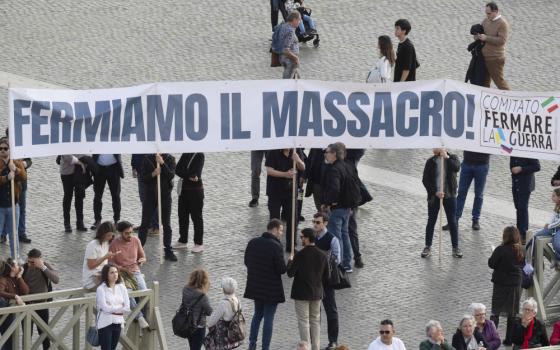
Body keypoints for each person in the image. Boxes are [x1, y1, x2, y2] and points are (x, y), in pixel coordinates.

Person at [245, 219, 287, 350]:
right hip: (271, 289)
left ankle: (252, 344)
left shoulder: (253, 242)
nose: (281, 234)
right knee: (269, 318)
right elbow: (281, 269)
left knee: (257, 314)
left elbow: (247, 261)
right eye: (280, 230)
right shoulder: (276, 246)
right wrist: (289, 262)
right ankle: (265, 347)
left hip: (256, 286)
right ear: (274, 229)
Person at [287, 228, 329, 350]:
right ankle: (316, 347)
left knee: (303, 321)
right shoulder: (322, 255)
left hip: (301, 294)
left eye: (302, 237)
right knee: (315, 321)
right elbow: (327, 277)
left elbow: (290, 273)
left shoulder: (300, 255)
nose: (301, 240)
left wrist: (290, 261)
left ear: (307, 238)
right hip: (316, 293)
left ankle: (306, 347)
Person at [421, 148, 462, 258]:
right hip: (434, 196)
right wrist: (435, 192)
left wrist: (446, 157)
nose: (433, 149)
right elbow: (425, 180)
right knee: (431, 221)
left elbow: (457, 167)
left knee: (452, 221)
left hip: (450, 195)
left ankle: (455, 248)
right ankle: (427, 246)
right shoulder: (431, 162)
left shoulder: (453, 158)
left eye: (435, 147)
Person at [108, 220, 150, 329]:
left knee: (145, 294)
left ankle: (142, 317)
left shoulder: (136, 240)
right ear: (120, 233)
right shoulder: (114, 244)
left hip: (135, 271)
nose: (129, 235)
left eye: (131, 232)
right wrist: (122, 269)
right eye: (127, 233)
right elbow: (110, 262)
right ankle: (140, 317)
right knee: (127, 293)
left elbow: (143, 256)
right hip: (121, 273)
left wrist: (141, 260)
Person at [138, 153, 177, 261]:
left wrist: (162, 163)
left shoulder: (170, 159)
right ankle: (138, 250)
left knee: (166, 224)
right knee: (145, 223)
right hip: (150, 196)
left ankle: (168, 250)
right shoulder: (147, 158)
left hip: (165, 196)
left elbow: (171, 175)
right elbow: (143, 178)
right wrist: (153, 174)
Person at [321, 142, 354, 271]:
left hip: (337, 208)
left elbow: (334, 189)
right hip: (347, 207)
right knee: (345, 235)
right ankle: (347, 263)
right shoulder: (347, 165)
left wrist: (328, 203)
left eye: (327, 152)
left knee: (336, 236)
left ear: (334, 154)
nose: (325, 154)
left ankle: (338, 264)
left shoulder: (334, 169)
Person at [488, 226, 523, 345]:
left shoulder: (500, 249)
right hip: (515, 285)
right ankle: (509, 340)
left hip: (500, 284)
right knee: (512, 313)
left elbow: (491, 264)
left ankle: (492, 338)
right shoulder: (520, 250)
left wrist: (494, 254)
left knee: (496, 311)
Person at [265, 149, 305, 252]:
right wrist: (285, 174)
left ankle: (291, 245)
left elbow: (303, 167)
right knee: (274, 219)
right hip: (275, 191)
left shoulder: (296, 151)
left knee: (293, 218)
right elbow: (269, 171)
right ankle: (273, 245)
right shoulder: (273, 152)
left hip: (291, 192)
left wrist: (298, 160)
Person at [313, 212, 341, 350]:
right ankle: (314, 339)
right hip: (313, 280)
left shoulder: (332, 239)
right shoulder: (312, 237)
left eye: (318, 222)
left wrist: (323, 258)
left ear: (325, 223)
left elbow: (337, 259)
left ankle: (333, 340)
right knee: (314, 312)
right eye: (314, 222)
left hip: (326, 280)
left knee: (331, 311)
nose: (315, 224)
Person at [22, 248, 60, 350]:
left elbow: (56, 279)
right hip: (27, 306)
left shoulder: (45, 267)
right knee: (26, 335)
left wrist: (43, 267)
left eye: (33, 262)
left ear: (39, 259)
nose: (30, 264)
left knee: (44, 335)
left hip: (42, 306)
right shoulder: (24, 268)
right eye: (28, 261)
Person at [449, 150, 490, 231]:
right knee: (461, 192)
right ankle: (455, 219)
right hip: (467, 163)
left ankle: (475, 220)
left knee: (479, 194)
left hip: (482, 164)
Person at [0, 138, 28, 256]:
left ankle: (15, 258)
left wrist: (15, 169)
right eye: (0, 148)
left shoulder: (16, 161)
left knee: (13, 234)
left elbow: (24, 177)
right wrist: (6, 178)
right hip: (0, 206)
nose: (2, 151)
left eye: (5, 149)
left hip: (13, 205)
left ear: (10, 150)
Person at [96, 263, 130, 350]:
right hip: (105, 323)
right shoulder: (101, 289)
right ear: (106, 275)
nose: (115, 274)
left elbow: (127, 307)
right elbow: (104, 308)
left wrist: (111, 307)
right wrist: (119, 307)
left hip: (118, 323)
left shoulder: (122, 287)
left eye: (116, 272)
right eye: (112, 272)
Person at [175, 152, 205, 252]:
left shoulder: (199, 155)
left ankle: (199, 243)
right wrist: (189, 175)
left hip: (195, 192)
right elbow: (177, 169)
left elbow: (196, 173)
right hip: (184, 191)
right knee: (182, 216)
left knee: (196, 217)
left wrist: (186, 173)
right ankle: (183, 240)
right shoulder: (186, 153)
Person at [525, 188, 560, 268]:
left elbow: (559, 222)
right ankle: (532, 257)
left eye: (554, 196)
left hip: (558, 229)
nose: (552, 197)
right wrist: (549, 224)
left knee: (557, 245)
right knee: (535, 236)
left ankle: (557, 259)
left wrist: (550, 226)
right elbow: (554, 216)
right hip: (553, 227)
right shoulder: (557, 205)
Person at [479, 2, 510, 90]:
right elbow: (481, 33)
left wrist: (486, 38)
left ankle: (512, 100)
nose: (487, 15)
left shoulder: (502, 24)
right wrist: (477, 36)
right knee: (484, 83)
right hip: (484, 57)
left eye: (489, 13)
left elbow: (501, 41)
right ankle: (484, 103)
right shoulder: (486, 21)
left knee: (500, 83)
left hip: (495, 58)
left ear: (495, 11)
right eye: (486, 13)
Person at [0, 258, 29, 350]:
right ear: (12, 268)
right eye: (17, 265)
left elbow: (25, 291)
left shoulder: (16, 278)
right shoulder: (4, 279)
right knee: (8, 339)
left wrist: (20, 277)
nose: (20, 267)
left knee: (10, 339)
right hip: (6, 313)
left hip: (12, 314)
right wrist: (15, 296)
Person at [510, 156, 540, 243]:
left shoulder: (528, 150)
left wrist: (521, 169)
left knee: (522, 208)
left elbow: (537, 166)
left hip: (525, 184)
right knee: (518, 207)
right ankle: (519, 232)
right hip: (516, 183)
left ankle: (523, 234)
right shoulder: (513, 149)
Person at [82, 221, 119, 291]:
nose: (110, 237)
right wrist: (105, 257)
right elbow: (91, 266)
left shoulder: (106, 243)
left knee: (120, 283)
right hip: (91, 279)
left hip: (102, 275)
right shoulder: (92, 245)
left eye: (112, 235)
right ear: (102, 234)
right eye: (108, 235)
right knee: (114, 288)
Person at [59, 154, 91, 232]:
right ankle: (67, 223)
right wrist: (80, 162)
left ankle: (80, 223)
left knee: (79, 197)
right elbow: (66, 154)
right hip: (67, 172)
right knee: (68, 196)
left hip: (79, 171)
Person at [181, 269, 213, 350]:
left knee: (192, 346)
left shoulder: (185, 289)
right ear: (204, 281)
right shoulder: (203, 296)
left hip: (187, 324)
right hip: (199, 326)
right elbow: (209, 311)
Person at [91, 154, 124, 229]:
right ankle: (97, 220)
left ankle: (116, 220)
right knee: (97, 196)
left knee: (116, 196)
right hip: (99, 168)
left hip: (114, 168)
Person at [131, 154, 158, 235]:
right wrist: (134, 167)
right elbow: (135, 152)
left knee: (153, 200)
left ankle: (156, 226)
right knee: (144, 199)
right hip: (140, 172)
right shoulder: (138, 143)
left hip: (152, 173)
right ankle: (147, 224)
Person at [273, 11, 302, 79]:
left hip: (282, 58)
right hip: (289, 60)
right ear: (294, 20)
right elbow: (286, 50)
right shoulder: (290, 31)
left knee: (298, 80)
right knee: (287, 82)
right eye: (299, 20)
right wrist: (295, 58)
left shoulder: (283, 26)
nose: (300, 22)